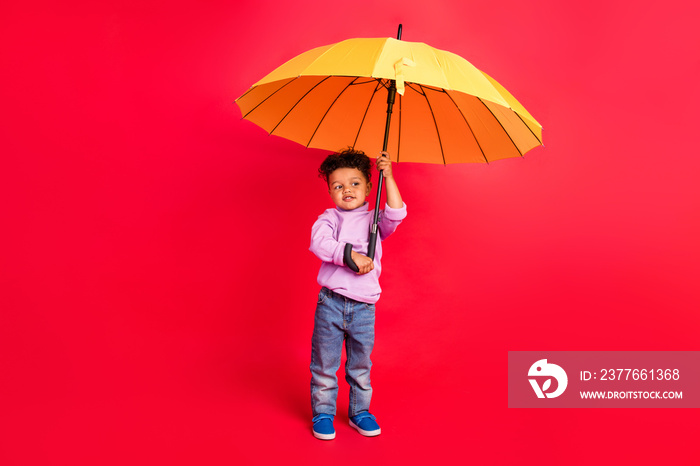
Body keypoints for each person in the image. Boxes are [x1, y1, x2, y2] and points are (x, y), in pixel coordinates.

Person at [309, 148, 406, 440]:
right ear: (330, 192)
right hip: (331, 303)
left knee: (360, 365)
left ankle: (359, 411)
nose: (346, 190)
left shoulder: (375, 218)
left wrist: (388, 176)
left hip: (364, 307)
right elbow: (319, 244)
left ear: (367, 187)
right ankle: (323, 412)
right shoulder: (329, 218)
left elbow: (397, 212)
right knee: (325, 363)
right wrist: (350, 255)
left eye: (354, 183)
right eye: (338, 186)